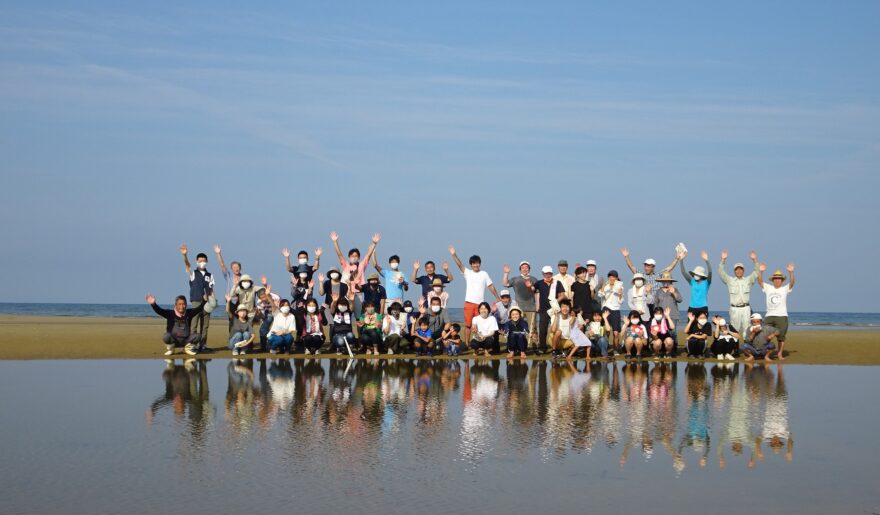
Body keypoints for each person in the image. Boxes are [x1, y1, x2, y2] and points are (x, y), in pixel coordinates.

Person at [448, 245, 502, 344]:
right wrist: (454, 255)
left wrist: (498, 298)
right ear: (471, 264)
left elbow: (490, 286)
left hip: (480, 305)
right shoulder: (468, 273)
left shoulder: (484, 274)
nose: (475, 265)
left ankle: (480, 344)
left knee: (480, 325)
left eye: (477, 263)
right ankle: (467, 344)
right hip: (469, 303)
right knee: (468, 325)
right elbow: (460, 265)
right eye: (473, 263)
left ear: (480, 264)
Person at [330, 231, 380, 316]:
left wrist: (374, 243)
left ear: (359, 257)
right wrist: (335, 241)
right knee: (345, 314)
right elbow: (339, 254)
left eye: (356, 256)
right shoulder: (346, 265)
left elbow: (368, 254)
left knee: (358, 317)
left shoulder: (361, 265)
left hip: (358, 294)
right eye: (352, 256)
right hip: (347, 293)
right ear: (349, 257)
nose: (354, 257)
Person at [146, 293, 214, 356]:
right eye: (179, 304)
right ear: (176, 305)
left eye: (183, 304)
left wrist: (204, 301)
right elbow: (159, 311)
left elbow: (199, 309)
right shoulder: (170, 313)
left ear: (186, 305)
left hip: (186, 340)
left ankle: (187, 349)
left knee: (198, 336)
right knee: (166, 336)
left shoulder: (189, 313)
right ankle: (171, 349)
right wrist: (153, 304)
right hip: (173, 341)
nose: (182, 306)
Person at [620, 248, 680, 313]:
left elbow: (669, 268)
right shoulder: (642, 275)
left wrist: (676, 258)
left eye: (648, 266)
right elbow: (632, 267)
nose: (646, 268)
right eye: (645, 266)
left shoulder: (658, 275)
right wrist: (626, 257)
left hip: (656, 304)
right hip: (646, 304)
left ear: (653, 267)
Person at [180, 244, 215, 352]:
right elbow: (187, 265)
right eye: (200, 260)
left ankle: (203, 345)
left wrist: (213, 301)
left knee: (205, 325)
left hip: (207, 303)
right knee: (194, 325)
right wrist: (185, 255)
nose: (202, 262)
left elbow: (212, 288)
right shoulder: (193, 273)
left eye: (204, 260)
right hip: (196, 301)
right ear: (197, 261)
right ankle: (192, 345)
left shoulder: (210, 274)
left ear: (207, 261)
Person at [758, 263, 795, 361]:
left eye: (779, 278)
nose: (777, 280)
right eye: (776, 278)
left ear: (782, 280)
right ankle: (765, 353)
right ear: (773, 280)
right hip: (769, 316)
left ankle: (779, 354)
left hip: (782, 316)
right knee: (764, 335)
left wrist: (791, 272)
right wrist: (761, 271)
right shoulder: (768, 287)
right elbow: (760, 281)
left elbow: (792, 283)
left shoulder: (784, 288)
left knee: (781, 337)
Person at [718, 249, 760, 334]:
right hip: (734, 309)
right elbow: (721, 273)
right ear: (734, 271)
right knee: (734, 329)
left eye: (741, 269)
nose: (739, 271)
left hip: (746, 308)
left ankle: (746, 346)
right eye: (737, 269)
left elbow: (756, 272)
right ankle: (735, 347)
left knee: (747, 329)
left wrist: (755, 260)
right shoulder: (730, 280)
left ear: (743, 271)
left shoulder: (748, 280)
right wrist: (723, 260)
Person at [502, 261, 540, 352]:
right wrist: (506, 273)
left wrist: (537, 305)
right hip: (519, 309)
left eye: (526, 267)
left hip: (531, 307)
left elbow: (537, 292)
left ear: (529, 269)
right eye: (523, 267)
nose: (525, 269)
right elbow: (505, 284)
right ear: (520, 269)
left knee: (533, 328)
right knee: (518, 327)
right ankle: (518, 346)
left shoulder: (534, 279)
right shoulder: (516, 279)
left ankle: (535, 346)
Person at [535, 265, 565, 355]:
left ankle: (556, 348)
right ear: (543, 274)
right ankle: (542, 348)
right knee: (542, 329)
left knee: (556, 329)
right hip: (543, 310)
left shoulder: (557, 282)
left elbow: (562, 295)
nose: (548, 275)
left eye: (549, 273)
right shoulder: (539, 283)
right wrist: (529, 286)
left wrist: (555, 301)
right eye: (546, 273)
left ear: (552, 273)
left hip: (555, 309)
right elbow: (533, 290)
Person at [653, 272, 683, 356]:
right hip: (661, 317)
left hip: (673, 315)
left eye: (668, 280)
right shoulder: (658, 291)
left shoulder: (675, 290)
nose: (666, 282)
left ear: (671, 281)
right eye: (664, 280)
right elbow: (655, 304)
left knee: (673, 333)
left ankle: (673, 350)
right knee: (662, 333)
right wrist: (655, 315)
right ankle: (662, 349)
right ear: (662, 282)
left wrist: (673, 292)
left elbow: (680, 300)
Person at [678, 249, 712, 317]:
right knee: (691, 326)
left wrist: (707, 261)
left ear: (702, 275)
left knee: (702, 326)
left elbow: (710, 272)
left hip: (703, 307)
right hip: (692, 307)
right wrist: (681, 260)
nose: (696, 275)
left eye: (698, 274)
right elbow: (683, 272)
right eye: (695, 274)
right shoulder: (692, 281)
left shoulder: (706, 282)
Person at [598, 270, 625, 352]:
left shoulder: (620, 286)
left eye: (613, 277)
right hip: (606, 308)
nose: (611, 278)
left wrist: (620, 294)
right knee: (606, 330)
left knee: (616, 333)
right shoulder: (606, 285)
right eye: (610, 276)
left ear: (616, 278)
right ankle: (605, 346)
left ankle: (615, 348)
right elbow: (600, 294)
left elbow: (621, 301)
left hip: (616, 309)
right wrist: (604, 285)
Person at [254, 286, 280, 352]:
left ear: (266, 294)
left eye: (264, 297)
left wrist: (269, 297)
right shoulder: (259, 302)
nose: (263, 299)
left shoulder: (275, 297)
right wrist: (259, 314)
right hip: (268, 314)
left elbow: (275, 308)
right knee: (263, 329)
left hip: (278, 312)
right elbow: (263, 317)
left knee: (276, 329)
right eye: (261, 298)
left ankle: (278, 346)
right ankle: (263, 348)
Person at [492, 290, 516, 355]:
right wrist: (493, 312)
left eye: (507, 297)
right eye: (503, 297)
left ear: (510, 297)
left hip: (508, 323)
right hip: (498, 323)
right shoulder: (497, 305)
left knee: (511, 332)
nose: (505, 300)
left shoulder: (514, 303)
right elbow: (492, 319)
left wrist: (507, 329)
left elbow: (517, 315)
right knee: (494, 333)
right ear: (500, 298)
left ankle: (509, 348)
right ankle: (496, 349)